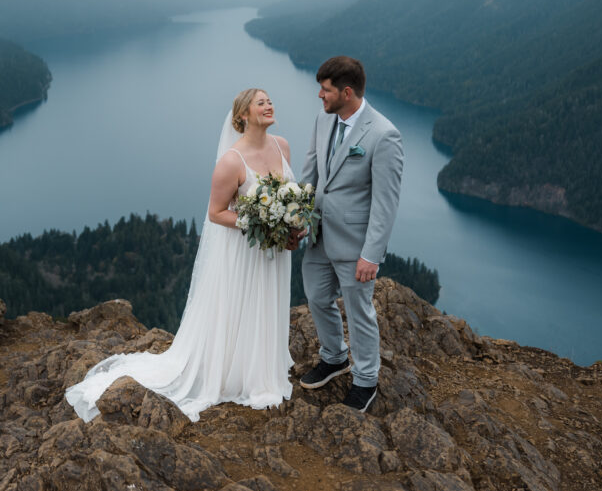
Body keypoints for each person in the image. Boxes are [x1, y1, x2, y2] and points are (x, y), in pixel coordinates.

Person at [65, 88, 295, 423]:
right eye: (260, 102)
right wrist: (259, 221)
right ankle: (239, 373)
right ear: (243, 115)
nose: (269, 105)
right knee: (243, 303)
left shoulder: (283, 146)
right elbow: (216, 213)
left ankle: (263, 365)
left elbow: (290, 196)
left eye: (270, 100)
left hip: (273, 251)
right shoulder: (232, 161)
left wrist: (288, 224)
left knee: (267, 301)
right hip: (245, 250)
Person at [296, 56, 403, 413]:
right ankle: (334, 356)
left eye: (325, 90)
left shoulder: (384, 134)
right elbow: (311, 174)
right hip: (319, 235)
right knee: (315, 296)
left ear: (346, 92)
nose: (319, 96)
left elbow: (385, 203)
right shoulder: (323, 121)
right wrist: (296, 217)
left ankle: (365, 380)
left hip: (355, 245)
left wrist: (371, 255)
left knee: (359, 312)